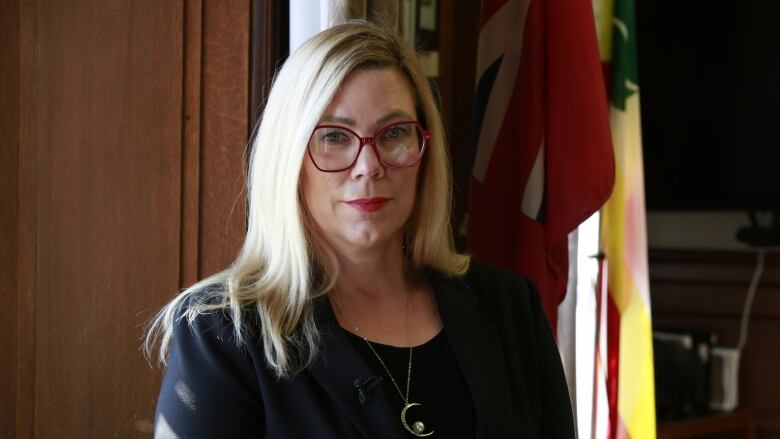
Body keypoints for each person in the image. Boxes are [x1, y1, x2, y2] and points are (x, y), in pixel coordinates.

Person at [145, 20, 575, 439]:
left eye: (394, 133)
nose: (368, 167)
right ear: (288, 158)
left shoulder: (510, 308)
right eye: (334, 137)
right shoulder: (221, 333)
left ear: (425, 152)